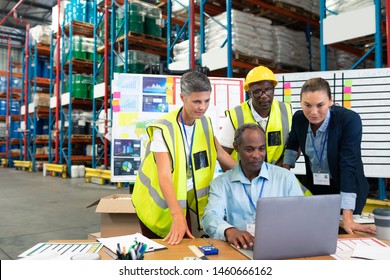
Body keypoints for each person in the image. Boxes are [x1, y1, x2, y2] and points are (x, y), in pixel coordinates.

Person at [132, 71, 237, 245]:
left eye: (206, 101)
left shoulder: (205, 123)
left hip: (187, 202)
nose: (202, 107)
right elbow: (164, 175)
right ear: (182, 97)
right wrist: (177, 215)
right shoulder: (164, 129)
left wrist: (253, 175)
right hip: (157, 207)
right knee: (161, 256)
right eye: (196, 101)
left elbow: (221, 154)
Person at [282, 77, 376, 235]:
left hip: (348, 189)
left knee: (345, 234)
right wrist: (284, 173)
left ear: (330, 101)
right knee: (318, 234)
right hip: (317, 190)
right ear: (300, 102)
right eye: (307, 105)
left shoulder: (348, 120)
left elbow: (348, 167)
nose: (313, 112)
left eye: (320, 105)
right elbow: (292, 144)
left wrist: (347, 217)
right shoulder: (299, 118)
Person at [201, 123, 303, 249]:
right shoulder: (221, 183)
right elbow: (210, 217)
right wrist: (228, 231)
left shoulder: (285, 178)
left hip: (279, 246)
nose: (256, 155)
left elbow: (300, 216)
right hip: (238, 249)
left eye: (261, 149)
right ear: (236, 147)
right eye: (250, 149)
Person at [219, 65, 292, 166]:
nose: (264, 95)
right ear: (249, 93)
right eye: (257, 92)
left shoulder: (286, 110)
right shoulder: (236, 115)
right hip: (245, 178)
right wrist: (238, 179)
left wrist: (279, 173)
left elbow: (293, 148)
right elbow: (223, 154)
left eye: (268, 90)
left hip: (277, 175)